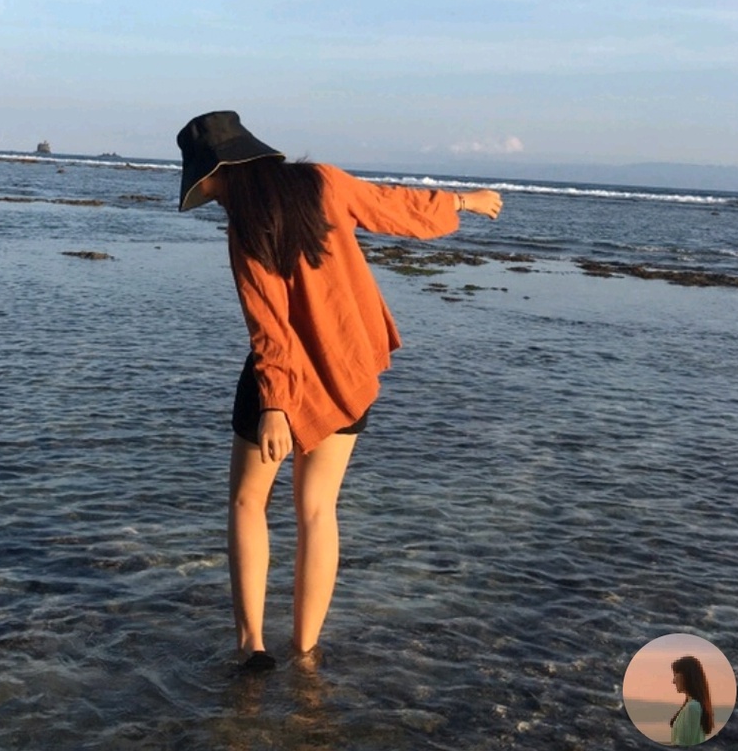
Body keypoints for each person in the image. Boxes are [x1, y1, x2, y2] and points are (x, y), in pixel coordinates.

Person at [176, 110, 503, 671]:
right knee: (317, 509)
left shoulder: (245, 225)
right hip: (344, 367)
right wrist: (461, 202)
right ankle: (305, 651)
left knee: (248, 502)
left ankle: (253, 647)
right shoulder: (323, 182)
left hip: (277, 379)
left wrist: (275, 404)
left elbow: (269, 326)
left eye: (204, 184)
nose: (208, 195)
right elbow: (392, 205)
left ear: (219, 172)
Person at [669, 655, 714, 745]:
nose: (673, 681)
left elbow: (683, 744)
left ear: (686, 676)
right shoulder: (691, 706)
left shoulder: (692, 707)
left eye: (675, 675)